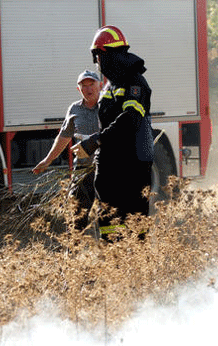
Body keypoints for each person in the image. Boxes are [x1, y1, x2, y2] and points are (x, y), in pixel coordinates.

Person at [73, 25, 154, 237]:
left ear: (107, 55)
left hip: (132, 167)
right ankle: (115, 264)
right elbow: (105, 122)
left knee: (134, 229)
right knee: (109, 226)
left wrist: (96, 141)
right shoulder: (109, 86)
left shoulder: (135, 83)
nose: (98, 64)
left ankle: (135, 267)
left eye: (98, 57)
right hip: (110, 169)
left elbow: (131, 120)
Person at [32, 70, 102, 231]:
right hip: (83, 170)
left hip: (106, 168)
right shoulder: (74, 109)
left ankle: (111, 249)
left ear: (100, 85)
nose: (88, 89)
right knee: (75, 214)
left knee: (108, 214)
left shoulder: (107, 105)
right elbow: (64, 137)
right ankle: (73, 251)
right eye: (83, 86)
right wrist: (47, 160)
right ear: (79, 89)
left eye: (91, 84)